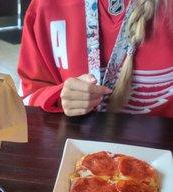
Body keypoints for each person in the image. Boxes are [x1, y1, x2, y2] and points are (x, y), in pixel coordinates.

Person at [17, 0, 173, 117]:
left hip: (161, 155)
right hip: (75, 153)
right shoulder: (46, 6)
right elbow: (26, 100)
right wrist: (58, 98)